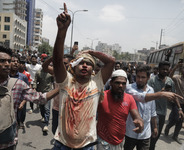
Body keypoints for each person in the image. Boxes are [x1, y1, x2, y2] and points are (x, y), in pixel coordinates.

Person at [52, 3, 115, 149]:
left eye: (89, 63)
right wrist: (62, 31)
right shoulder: (66, 81)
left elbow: (111, 61)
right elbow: (56, 60)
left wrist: (91, 53)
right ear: (74, 67)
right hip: (62, 144)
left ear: (93, 69)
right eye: (81, 63)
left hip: (87, 145)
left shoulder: (97, 82)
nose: (85, 65)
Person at [0, 45, 59, 150]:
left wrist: (61, 88)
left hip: (7, 142)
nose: (7, 64)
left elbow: (41, 98)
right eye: (2, 61)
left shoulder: (18, 84)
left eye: (8, 61)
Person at [97, 69, 144, 150]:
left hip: (120, 141)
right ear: (111, 83)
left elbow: (136, 116)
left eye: (123, 83)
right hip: (103, 140)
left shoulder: (129, 98)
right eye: (117, 83)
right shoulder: (102, 96)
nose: (120, 86)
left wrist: (140, 122)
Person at [124, 65, 157, 150]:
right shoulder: (129, 88)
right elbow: (141, 97)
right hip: (131, 131)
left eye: (143, 77)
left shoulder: (151, 90)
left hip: (145, 133)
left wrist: (155, 127)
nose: (140, 80)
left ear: (148, 77)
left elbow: (152, 111)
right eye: (138, 76)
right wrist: (161, 95)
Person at [148, 61, 176, 150]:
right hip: (152, 112)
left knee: (157, 135)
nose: (165, 71)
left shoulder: (170, 81)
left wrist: (178, 107)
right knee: (153, 135)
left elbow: (173, 95)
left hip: (163, 113)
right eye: (163, 69)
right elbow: (147, 96)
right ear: (159, 69)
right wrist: (161, 92)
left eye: (166, 69)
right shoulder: (152, 80)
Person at [164, 62, 184, 144]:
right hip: (176, 101)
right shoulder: (177, 78)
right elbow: (170, 77)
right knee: (176, 118)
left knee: (181, 120)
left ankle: (175, 136)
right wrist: (176, 67)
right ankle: (168, 127)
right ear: (181, 70)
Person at [33, 61, 54, 133]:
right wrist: (34, 89)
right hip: (40, 92)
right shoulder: (38, 72)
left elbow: (54, 82)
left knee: (47, 108)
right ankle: (43, 116)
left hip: (48, 92)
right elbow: (35, 81)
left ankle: (46, 124)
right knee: (41, 107)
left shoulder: (51, 73)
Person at [9, 53, 29, 129]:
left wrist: (23, 103)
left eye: (17, 61)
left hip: (18, 107)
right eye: (13, 61)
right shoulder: (4, 76)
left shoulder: (23, 77)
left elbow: (27, 93)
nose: (16, 63)